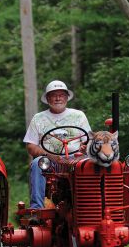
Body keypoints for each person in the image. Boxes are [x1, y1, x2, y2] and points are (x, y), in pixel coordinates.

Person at [23, 80, 91, 208]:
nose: (58, 98)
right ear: (48, 98)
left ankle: (90, 205)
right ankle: (37, 209)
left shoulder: (79, 115)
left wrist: (84, 147)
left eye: (61, 95)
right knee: (37, 163)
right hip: (50, 162)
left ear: (66, 97)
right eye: (54, 95)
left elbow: (88, 139)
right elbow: (30, 146)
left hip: (75, 159)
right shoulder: (38, 118)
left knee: (90, 164)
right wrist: (47, 155)